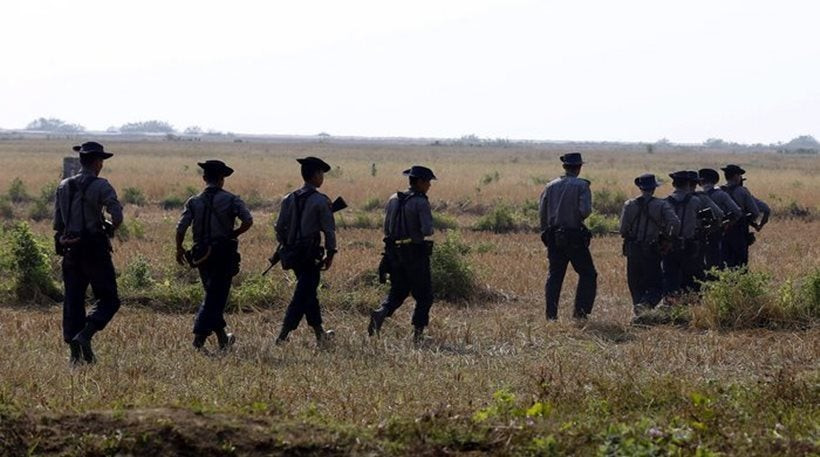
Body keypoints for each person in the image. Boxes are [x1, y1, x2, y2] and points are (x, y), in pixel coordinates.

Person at [53, 142, 123, 365]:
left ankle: (76, 357)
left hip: (71, 250)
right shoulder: (102, 185)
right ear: (97, 163)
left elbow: (58, 224)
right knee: (109, 298)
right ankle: (85, 334)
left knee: (73, 301)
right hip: (95, 249)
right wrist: (110, 225)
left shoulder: (63, 186)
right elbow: (117, 214)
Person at [176, 160, 253, 351]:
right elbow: (248, 220)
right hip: (222, 254)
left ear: (204, 178)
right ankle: (199, 338)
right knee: (215, 298)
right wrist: (233, 234)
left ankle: (223, 340)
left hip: (201, 255)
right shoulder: (232, 199)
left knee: (213, 295)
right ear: (222, 180)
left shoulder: (193, 201)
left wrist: (178, 248)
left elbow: (181, 227)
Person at [368, 165, 436, 344]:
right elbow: (428, 230)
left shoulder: (393, 199)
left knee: (398, 290)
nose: (429, 185)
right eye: (428, 181)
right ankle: (418, 334)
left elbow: (386, 228)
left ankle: (381, 312)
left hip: (393, 253)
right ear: (420, 182)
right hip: (414, 252)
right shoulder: (421, 202)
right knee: (425, 295)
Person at [274, 157, 337, 346]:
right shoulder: (320, 200)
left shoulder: (289, 198)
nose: (322, 177)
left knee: (309, 293)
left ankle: (320, 333)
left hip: (293, 254)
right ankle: (283, 335)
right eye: (321, 174)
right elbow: (329, 230)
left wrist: (286, 244)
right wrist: (331, 253)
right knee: (302, 295)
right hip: (310, 255)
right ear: (316, 175)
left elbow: (279, 228)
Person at [538, 152, 597, 321]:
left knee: (555, 275)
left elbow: (542, 212)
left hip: (554, 236)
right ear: (578, 168)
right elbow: (585, 211)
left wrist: (545, 231)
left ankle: (551, 316)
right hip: (574, 236)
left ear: (564, 167)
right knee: (588, 274)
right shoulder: (582, 186)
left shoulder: (550, 186)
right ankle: (580, 314)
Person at [619, 174, 680, 314]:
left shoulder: (629, 205)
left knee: (635, 283)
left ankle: (639, 310)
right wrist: (668, 238)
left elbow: (622, 229)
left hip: (632, 249)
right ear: (653, 189)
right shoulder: (661, 205)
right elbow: (675, 223)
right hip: (651, 249)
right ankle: (645, 306)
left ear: (640, 188)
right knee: (656, 285)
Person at [661, 171, 705, 298]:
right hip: (690, 245)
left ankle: (670, 303)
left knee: (670, 277)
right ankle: (689, 304)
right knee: (690, 279)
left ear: (674, 184)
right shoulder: (696, 201)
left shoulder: (664, 202)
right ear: (687, 184)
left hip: (669, 245)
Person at [685, 170, 724, 289]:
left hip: (675, 241)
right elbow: (719, 214)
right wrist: (711, 228)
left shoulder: (669, 200)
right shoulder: (701, 198)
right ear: (696, 184)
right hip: (697, 238)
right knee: (698, 267)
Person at [697, 168, 742, 270]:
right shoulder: (721, 194)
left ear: (700, 182)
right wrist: (727, 224)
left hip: (698, 233)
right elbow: (737, 212)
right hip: (717, 231)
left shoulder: (696, 196)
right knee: (716, 260)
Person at [720, 164, 764, 268]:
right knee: (740, 262)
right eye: (739, 175)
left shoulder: (719, 191)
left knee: (724, 261)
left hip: (721, 231)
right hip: (739, 231)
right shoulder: (742, 191)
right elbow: (755, 212)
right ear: (736, 176)